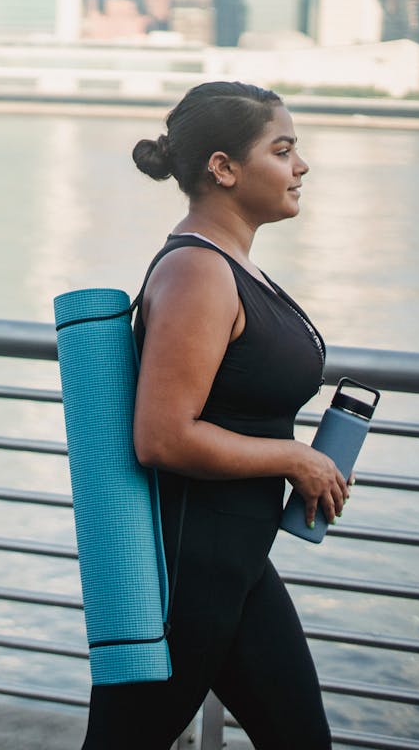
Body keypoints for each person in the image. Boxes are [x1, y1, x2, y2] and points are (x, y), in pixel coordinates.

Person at [80, 81, 348, 749]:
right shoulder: (199, 273)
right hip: (185, 574)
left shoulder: (234, 266)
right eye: (283, 150)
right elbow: (163, 436)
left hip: (239, 565)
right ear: (223, 168)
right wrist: (296, 457)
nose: (301, 166)